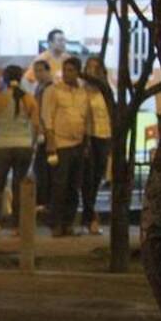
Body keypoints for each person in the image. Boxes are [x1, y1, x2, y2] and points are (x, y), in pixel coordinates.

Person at [41, 57, 93, 237]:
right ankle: (55, 223)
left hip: (78, 143)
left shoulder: (83, 92)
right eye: (65, 70)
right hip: (60, 143)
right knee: (59, 185)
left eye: (71, 70)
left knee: (73, 185)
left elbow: (86, 118)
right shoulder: (53, 91)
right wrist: (50, 140)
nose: (67, 74)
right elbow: (47, 116)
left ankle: (68, 223)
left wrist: (86, 143)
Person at [0, 65, 40, 235]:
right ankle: (18, 225)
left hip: (2, 145)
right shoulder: (30, 99)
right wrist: (31, 144)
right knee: (19, 186)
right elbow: (36, 125)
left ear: (4, 78)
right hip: (23, 145)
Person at [81, 57, 114, 235]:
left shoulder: (106, 91)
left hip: (104, 135)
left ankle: (90, 214)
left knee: (98, 177)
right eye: (89, 68)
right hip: (88, 137)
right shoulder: (82, 91)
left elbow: (112, 114)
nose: (93, 71)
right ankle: (90, 216)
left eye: (96, 68)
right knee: (89, 178)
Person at [30, 60, 55, 210]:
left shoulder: (50, 88)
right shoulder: (39, 87)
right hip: (39, 130)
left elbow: (47, 112)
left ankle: (45, 200)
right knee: (40, 167)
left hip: (46, 131)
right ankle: (43, 199)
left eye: (40, 70)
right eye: (36, 70)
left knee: (44, 167)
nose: (38, 74)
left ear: (48, 71)